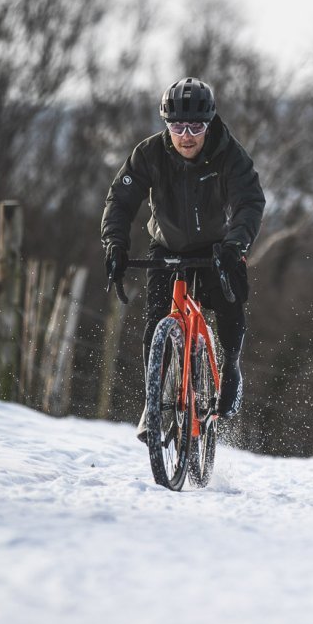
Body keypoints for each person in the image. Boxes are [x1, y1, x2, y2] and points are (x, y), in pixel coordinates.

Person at [101, 77, 265, 441]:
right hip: (167, 245)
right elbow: (120, 202)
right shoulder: (149, 153)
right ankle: (154, 402)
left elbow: (249, 202)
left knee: (230, 304)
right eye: (177, 127)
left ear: (209, 123)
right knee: (156, 321)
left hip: (217, 246)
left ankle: (232, 367)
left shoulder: (229, 153)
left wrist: (236, 244)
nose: (186, 136)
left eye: (195, 127)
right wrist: (115, 245)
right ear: (166, 125)